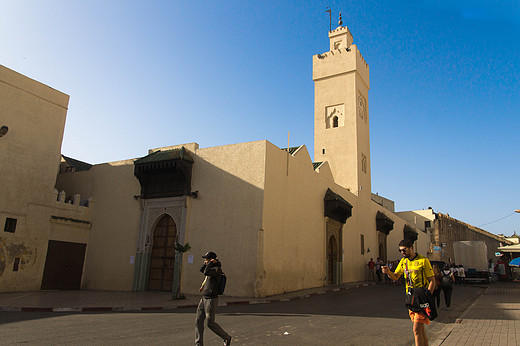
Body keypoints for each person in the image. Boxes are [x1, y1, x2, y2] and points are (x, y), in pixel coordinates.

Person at [382, 240, 435, 346]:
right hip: (411, 298)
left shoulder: (423, 261)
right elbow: (396, 277)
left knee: (416, 330)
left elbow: (432, 281)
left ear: (411, 247)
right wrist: (388, 273)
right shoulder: (403, 262)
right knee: (420, 330)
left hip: (421, 298)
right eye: (400, 250)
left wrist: (427, 297)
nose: (402, 252)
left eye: (404, 250)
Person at [195, 251, 232, 346]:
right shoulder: (210, 268)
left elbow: (207, 271)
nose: (205, 261)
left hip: (211, 299)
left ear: (211, 260)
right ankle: (198, 343)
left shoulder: (217, 269)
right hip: (204, 298)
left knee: (210, 323)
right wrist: (206, 264)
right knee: (198, 321)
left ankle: (226, 337)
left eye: (206, 259)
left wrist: (212, 263)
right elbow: (202, 270)